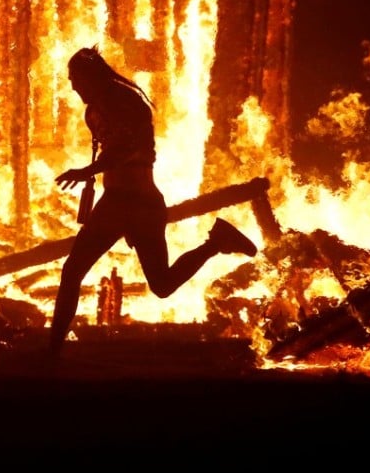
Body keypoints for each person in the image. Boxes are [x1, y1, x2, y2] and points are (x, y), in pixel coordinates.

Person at [50, 46, 258, 356]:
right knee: (80, 272)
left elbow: (127, 148)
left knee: (156, 284)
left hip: (134, 202)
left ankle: (216, 243)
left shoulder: (122, 100)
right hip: (121, 201)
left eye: (76, 79)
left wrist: (87, 171)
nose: (73, 86)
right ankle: (53, 350)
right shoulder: (97, 108)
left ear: (91, 76)